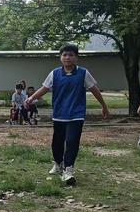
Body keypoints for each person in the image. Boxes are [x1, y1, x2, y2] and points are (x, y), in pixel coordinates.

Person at [25, 43, 109, 185]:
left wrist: (104, 106)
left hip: (76, 114)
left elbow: (94, 89)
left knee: (72, 142)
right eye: (64, 55)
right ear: (60, 57)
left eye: (71, 55)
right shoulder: (55, 73)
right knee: (56, 144)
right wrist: (32, 98)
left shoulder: (83, 73)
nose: (67, 57)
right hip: (59, 114)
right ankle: (58, 164)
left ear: (76, 58)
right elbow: (45, 88)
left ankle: (68, 169)